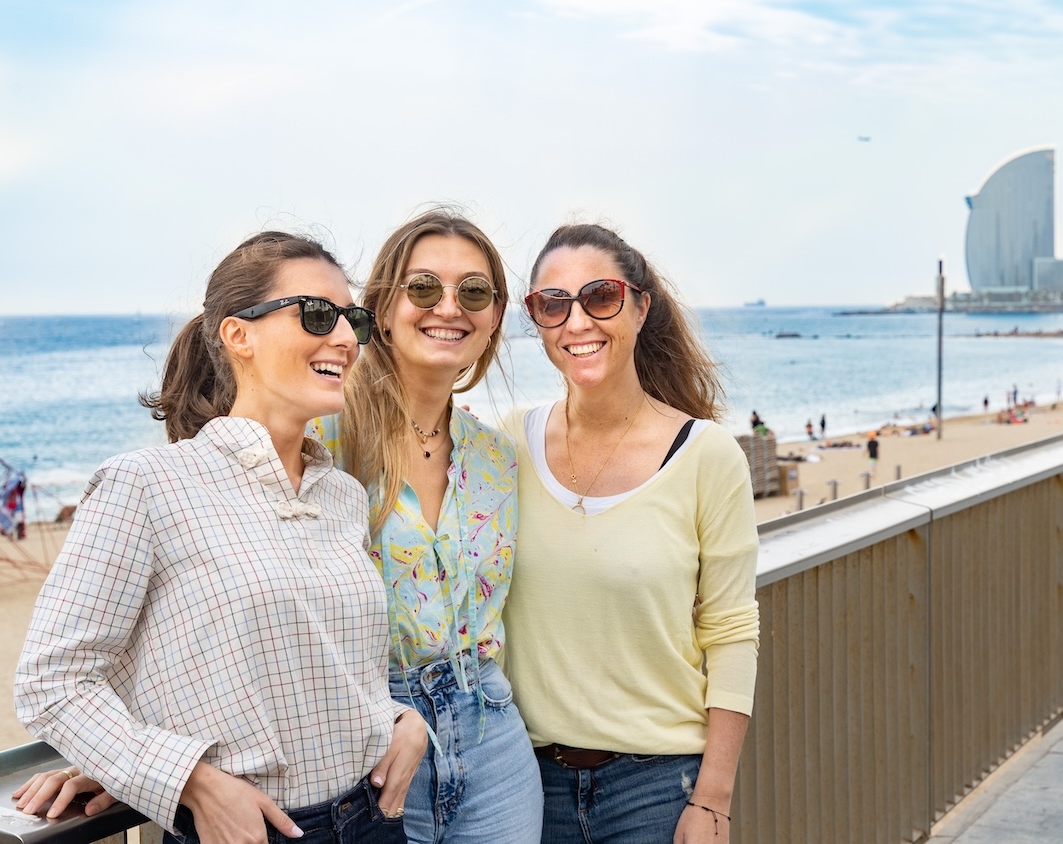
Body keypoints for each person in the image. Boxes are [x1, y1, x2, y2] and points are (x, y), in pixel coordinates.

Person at [13, 232, 428, 844]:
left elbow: (322, 662)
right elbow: (52, 680)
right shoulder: (147, 484)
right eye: (318, 313)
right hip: (245, 829)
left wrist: (400, 718)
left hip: (375, 818)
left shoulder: (340, 495)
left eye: (353, 319)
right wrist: (187, 781)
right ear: (238, 335)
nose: (345, 337)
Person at [507, 224, 759, 843]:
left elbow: (731, 631)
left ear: (640, 307)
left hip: (657, 789)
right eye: (552, 303)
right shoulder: (508, 443)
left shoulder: (707, 455)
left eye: (601, 297)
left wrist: (713, 801)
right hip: (525, 785)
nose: (577, 322)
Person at [308, 210, 541, 843]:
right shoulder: (322, 437)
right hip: (368, 747)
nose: (449, 307)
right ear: (383, 309)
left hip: (494, 742)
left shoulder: (496, 457)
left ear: (494, 318)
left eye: (474, 292)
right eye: (423, 287)